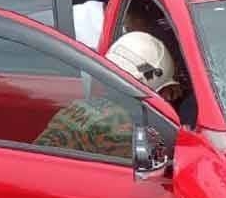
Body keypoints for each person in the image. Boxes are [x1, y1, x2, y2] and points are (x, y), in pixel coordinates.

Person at [34, 31, 182, 158]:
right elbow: (140, 181)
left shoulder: (81, 105)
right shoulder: (119, 127)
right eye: (166, 92)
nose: (168, 99)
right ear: (146, 87)